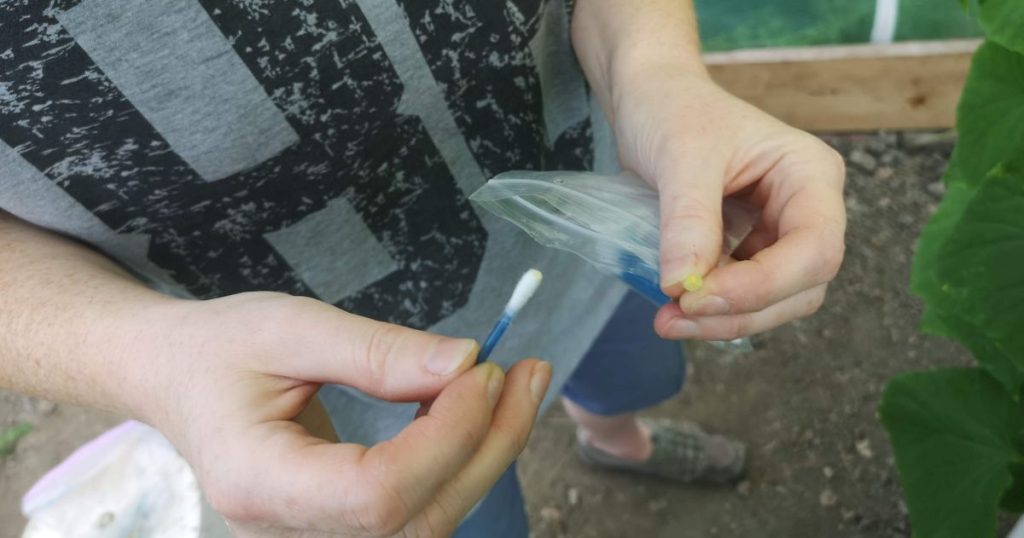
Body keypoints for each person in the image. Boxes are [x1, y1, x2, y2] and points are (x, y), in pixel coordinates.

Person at [0, 0, 845, 536]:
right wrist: (144, 358)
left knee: (627, 367)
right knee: (470, 511)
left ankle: (611, 441)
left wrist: (656, 71)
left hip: (607, 233)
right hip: (342, 416)